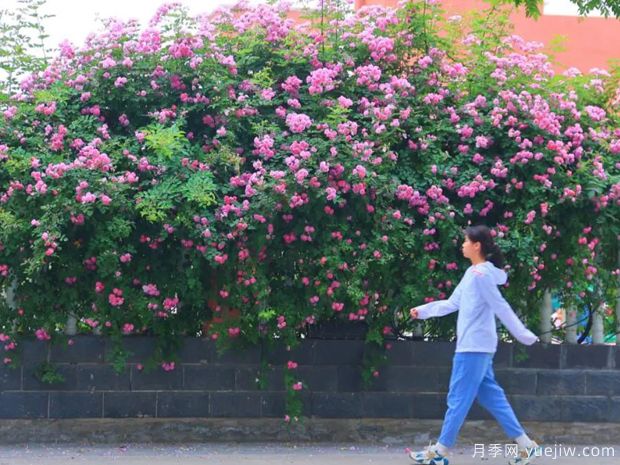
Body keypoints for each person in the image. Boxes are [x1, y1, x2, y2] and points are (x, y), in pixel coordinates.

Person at [408, 225, 541, 465]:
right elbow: (451, 303)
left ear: (476, 245)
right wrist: (423, 311)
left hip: (474, 347)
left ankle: (440, 451)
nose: (462, 244)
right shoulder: (473, 274)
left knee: (457, 398)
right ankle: (526, 445)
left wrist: (523, 334)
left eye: (466, 241)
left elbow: (500, 305)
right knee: (492, 397)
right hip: (475, 345)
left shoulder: (481, 276)